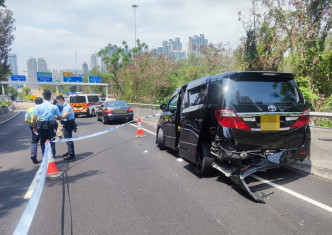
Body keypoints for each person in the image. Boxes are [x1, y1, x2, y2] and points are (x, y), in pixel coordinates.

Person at [32, 90, 67, 158]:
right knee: (52, 142)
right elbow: (59, 117)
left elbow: (34, 118)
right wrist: (65, 114)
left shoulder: (38, 107)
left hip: (42, 126)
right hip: (51, 126)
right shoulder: (54, 107)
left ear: (43, 97)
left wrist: (34, 127)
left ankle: (45, 158)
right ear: (50, 97)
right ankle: (52, 158)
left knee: (43, 142)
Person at [56, 95, 77, 160]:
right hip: (67, 123)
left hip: (68, 123)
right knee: (67, 138)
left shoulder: (66, 107)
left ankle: (71, 154)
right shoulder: (64, 106)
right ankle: (70, 152)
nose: (58, 103)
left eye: (58, 101)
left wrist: (56, 117)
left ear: (60, 100)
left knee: (68, 139)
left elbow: (64, 116)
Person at [24, 97, 43, 164]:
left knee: (34, 142)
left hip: (34, 127)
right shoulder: (43, 109)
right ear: (42, 102)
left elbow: (26, 120)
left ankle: (33, 154)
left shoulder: (30, 109)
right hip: (43, 126)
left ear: (35, 102)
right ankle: (45, 157)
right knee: (43, 142)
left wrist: (32, 122)